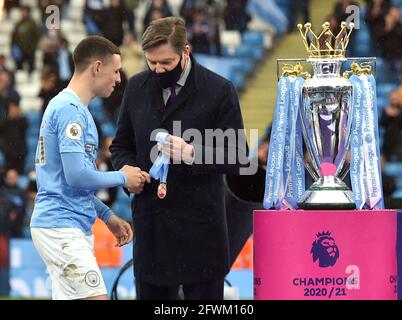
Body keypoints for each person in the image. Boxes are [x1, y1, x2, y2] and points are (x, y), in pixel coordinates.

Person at [110, 17, 247, 300]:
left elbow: (237, 156)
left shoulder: (219, 90)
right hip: (152, 232)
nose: (158, 69)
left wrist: (192, 153)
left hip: (201, 234)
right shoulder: (136, 87)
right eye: (152, 62)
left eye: (166, 63)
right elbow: (120, 146)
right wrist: (126, 172)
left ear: (185, 51)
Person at [30, 36, 150, 300]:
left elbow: (70, 182)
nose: (118, 79)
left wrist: (107, 216)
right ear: (97, 67)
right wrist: (123, 177)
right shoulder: (69, 110)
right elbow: (76, 176)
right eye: (115, 70)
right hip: (61, 227)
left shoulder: (75, 110)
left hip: (65, 224)